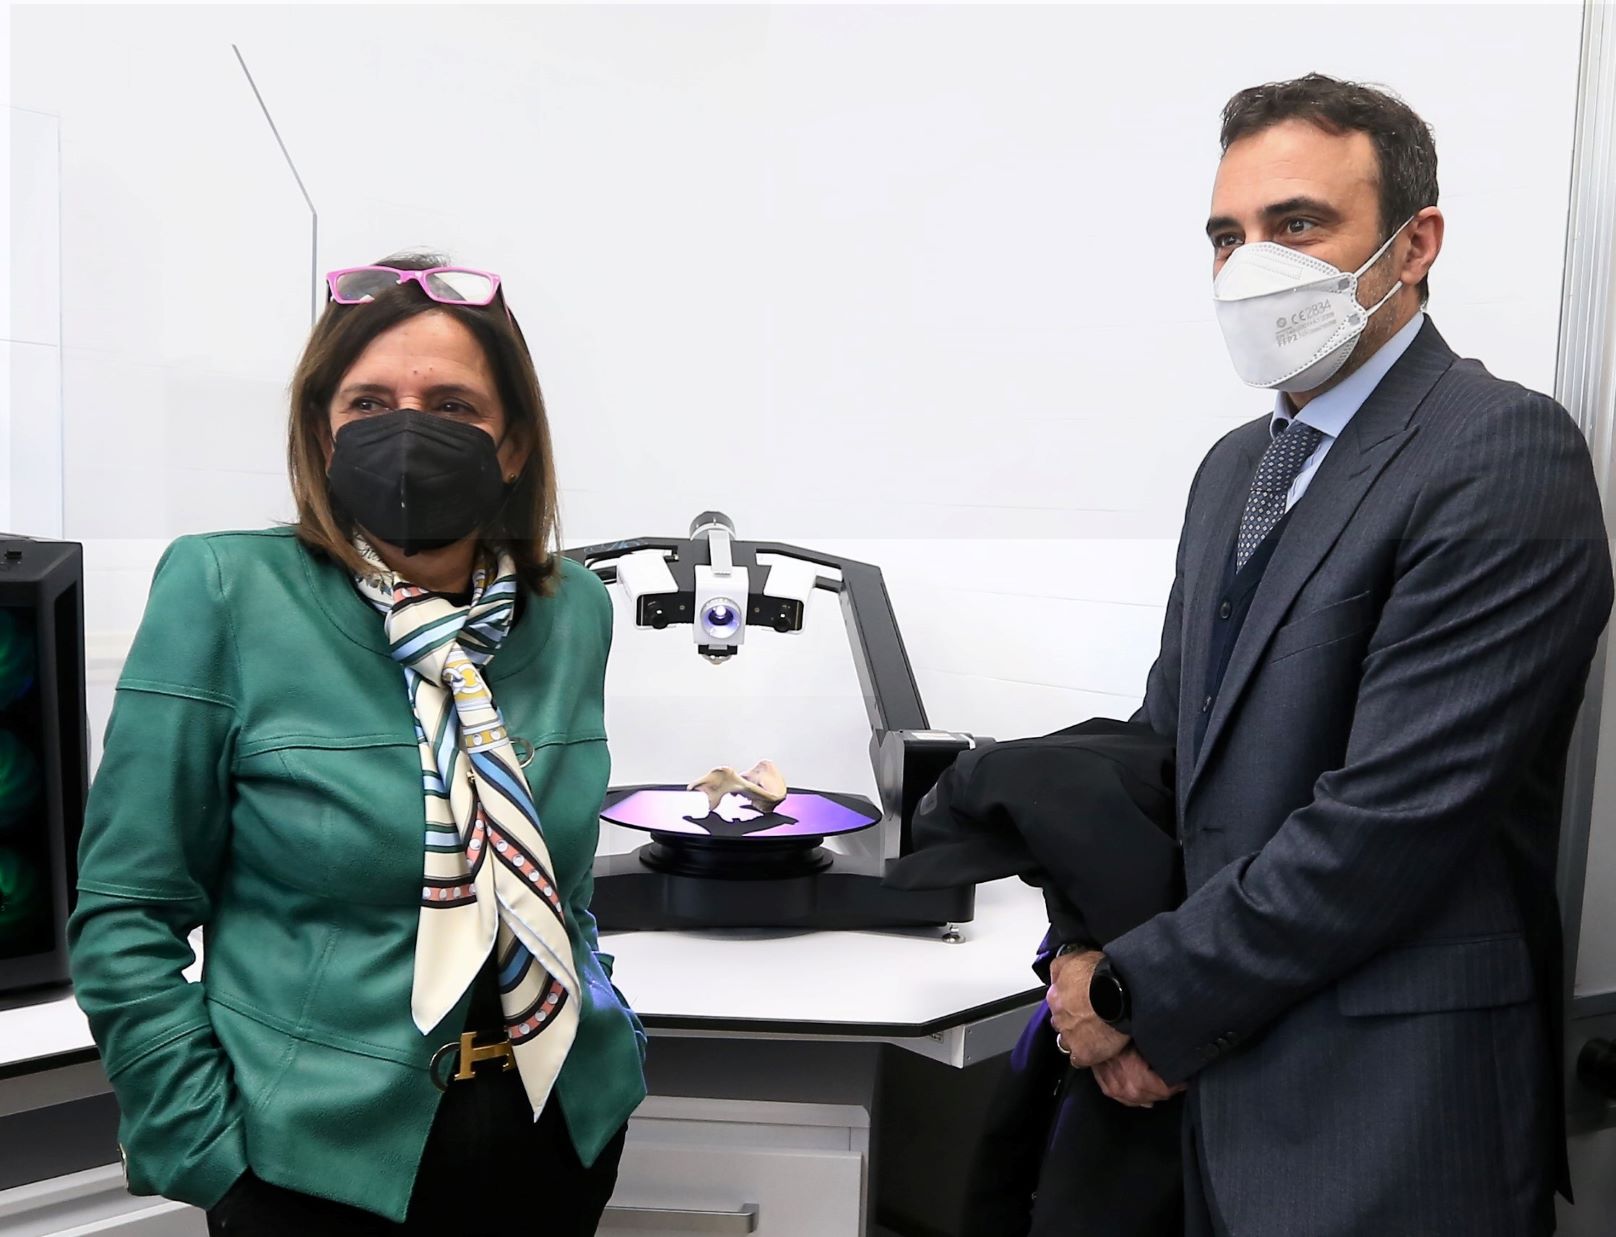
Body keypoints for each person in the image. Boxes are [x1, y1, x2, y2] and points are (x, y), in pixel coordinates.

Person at [1045, 75, 1613, 1237]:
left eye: (1296, 224)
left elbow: (1389, 821)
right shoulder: (1233, 470)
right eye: (1227, 236)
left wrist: (1135, 993)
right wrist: (1084, 938)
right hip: (1209, 1099)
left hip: (1385, 1116)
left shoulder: (1498, 452)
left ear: (1414, 244)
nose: (1250, 266)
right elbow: (1172, 753)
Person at [68, 254, 648, 1235]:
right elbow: (127, 914)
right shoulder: (225, 589)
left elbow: (560, 888)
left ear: (512, 443)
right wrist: (210, 1157)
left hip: (558, 1128)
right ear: (322, 431)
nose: (408, 431)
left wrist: (606, 1025)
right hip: (312, 1164)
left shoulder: (573, 609)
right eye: (369, 403)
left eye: (453, 406)